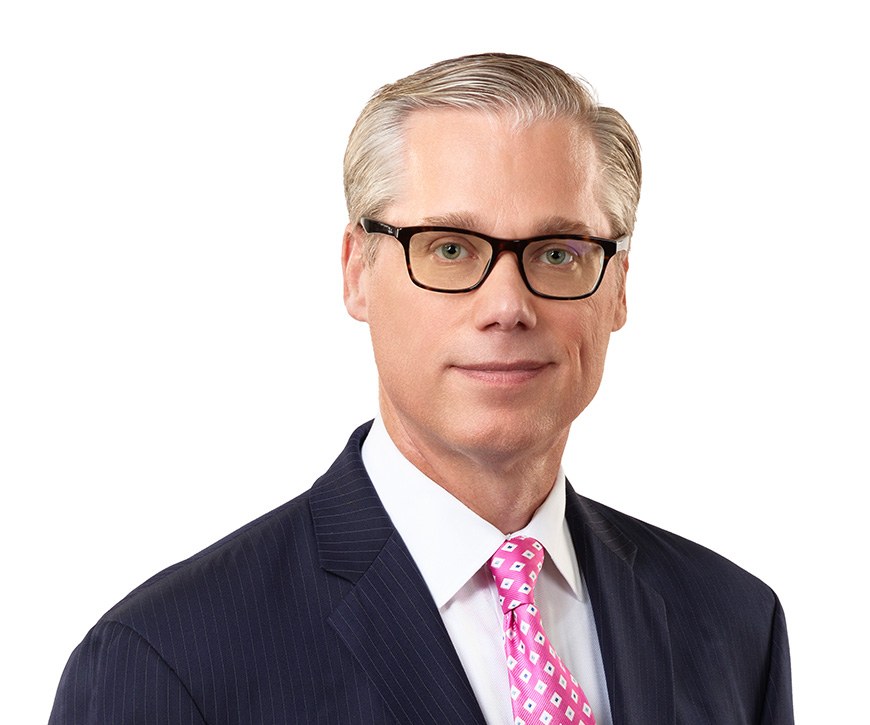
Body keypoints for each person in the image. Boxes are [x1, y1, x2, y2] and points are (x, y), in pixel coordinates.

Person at [49, 53, 794, 724]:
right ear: (356, 271)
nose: (507, 305)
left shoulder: (736, 626)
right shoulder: (167, 661)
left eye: (558, 252)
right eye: (449, 248)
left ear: (619, 287)